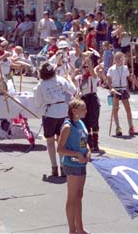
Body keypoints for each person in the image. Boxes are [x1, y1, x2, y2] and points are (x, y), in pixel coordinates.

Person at [34, 62, 76, 177]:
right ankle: (63, 167)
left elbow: (37, 103)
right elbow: (73, 90)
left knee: (50, 141)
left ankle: (54, 167)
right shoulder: (60, 80)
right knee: (61, 141)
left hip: (50, 113)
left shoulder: (40, 85)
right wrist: (70, 79)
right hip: (62, 111)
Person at [57, 98, 91, 234]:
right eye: (83, 109)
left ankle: (80, 228)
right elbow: (60, 148)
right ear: (74, 111)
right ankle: (72, 229)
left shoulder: (81, 123)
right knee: (72, 197)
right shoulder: (67, 127)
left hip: (82, 163)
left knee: (79, 195)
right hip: (72, 164)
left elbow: (83, 141)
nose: (86, 111)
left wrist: (87, 151)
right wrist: (77, 154)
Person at [107, 51, 138, 137]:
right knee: (116, 109)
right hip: (116, 90)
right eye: (116, 58)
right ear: (114, 59)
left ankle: (131, 127)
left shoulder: (125, 68)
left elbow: (127, 79)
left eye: (120, 58)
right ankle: (118, 127)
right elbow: (108, 81)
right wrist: (111, 89)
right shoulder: (111, 69)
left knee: (128, 109)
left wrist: (132, 80)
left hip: (123, 89)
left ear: (123, 59)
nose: (118, 60)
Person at [75, 54, 101, 152]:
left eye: (87, 67)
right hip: (83, 99)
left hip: (92, 99)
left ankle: (95, 144)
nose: (85, 69)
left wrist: (89, 63)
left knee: (94, 121)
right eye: (84, 67)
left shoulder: (93, 77)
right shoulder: (79, 78)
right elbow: (73, 81)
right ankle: (84, 144)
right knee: (83, 123)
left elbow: (93, 73)